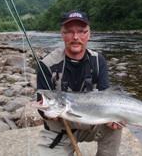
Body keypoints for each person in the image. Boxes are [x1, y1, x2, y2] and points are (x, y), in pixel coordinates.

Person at [37, 10, 122, 156]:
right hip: (60, 130)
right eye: (69, 32)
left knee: (115, 128)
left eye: (82, 31)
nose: (76, 37)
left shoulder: (98, 60)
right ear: (62, 34)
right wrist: (49, 114)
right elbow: (41, 104)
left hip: (91, 124)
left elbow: (107, 96)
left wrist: (113, 117)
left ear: (89, 34)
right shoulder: (46, 64)